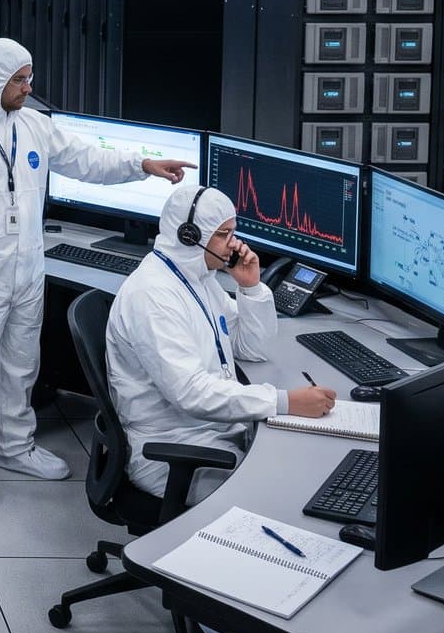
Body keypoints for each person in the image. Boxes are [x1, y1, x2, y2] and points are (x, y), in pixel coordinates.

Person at [0, 38, 195, 504]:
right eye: (19, 79)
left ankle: (14, 445)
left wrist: (142, 165)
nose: (29, 88)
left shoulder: (35, 126)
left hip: (29, 271)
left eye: (29, 77)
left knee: (21, 364)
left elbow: (86, 159)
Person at [106, 184, 337, 500]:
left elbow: (251, 349)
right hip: (171, 451)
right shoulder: (153, 298)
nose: (235, 245)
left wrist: (251, 289)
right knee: (284, 493)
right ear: (189, 236)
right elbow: (191, 393)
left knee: (303, 465)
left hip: (211, 431)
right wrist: (285, 402)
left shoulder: (197, 279)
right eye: (224, 234)